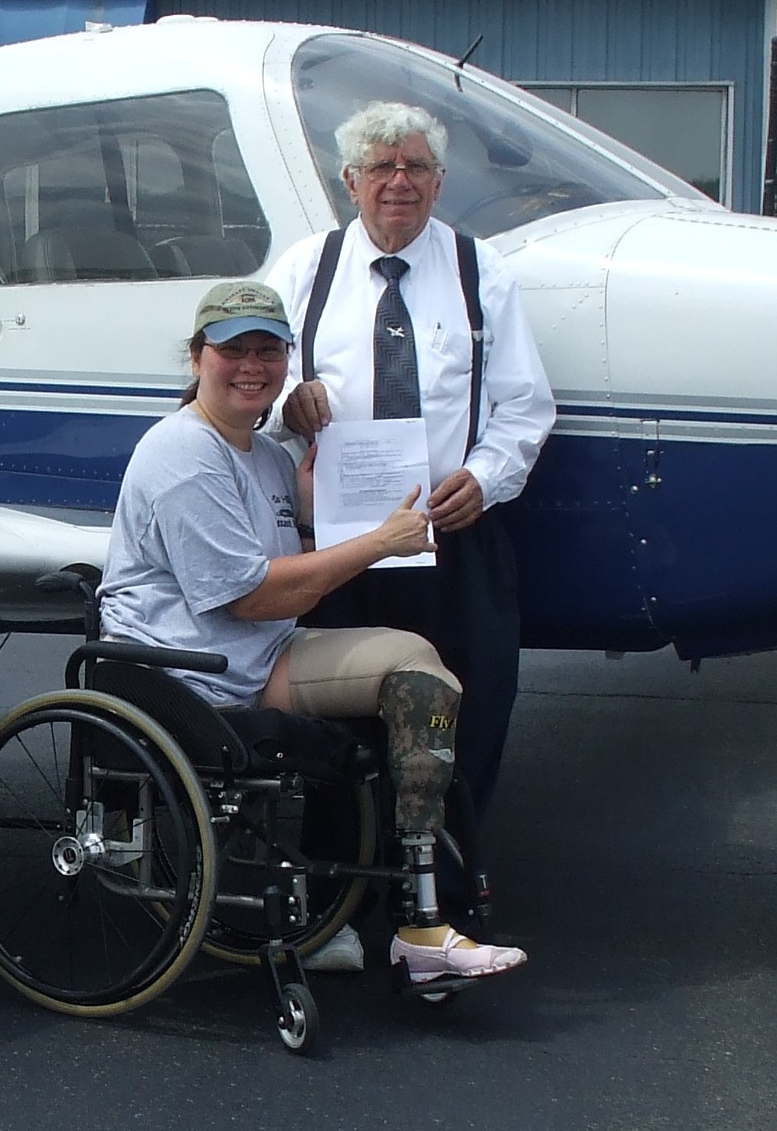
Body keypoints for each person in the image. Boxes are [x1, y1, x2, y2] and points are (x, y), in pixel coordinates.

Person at [98, 280, 527, 985]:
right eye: (233, 349)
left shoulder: (263, 455)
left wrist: (303, 512)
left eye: (269, 350)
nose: (252, 365)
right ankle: (414, 922)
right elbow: (255, 598)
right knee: (415, 677)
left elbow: (278, 570)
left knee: (421, 670)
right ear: (198, 357)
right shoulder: (182, 452)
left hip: (252, 657)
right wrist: (381, 542)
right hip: (187, 670)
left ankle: (416, 916)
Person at [266, 101, 556, 831]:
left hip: (450, 538)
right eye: (382, 167)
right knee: (335, 726)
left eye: (416, 166)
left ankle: (442, 905)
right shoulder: (307, 269)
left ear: (439, 180)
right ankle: (342, 898)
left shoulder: (478, 272)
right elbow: (245, 385)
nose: (400, 180)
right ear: (351, 181)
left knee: (467, 712)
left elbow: (525, 406)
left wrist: (485, 480)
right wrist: (286, 408)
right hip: (340, 543)